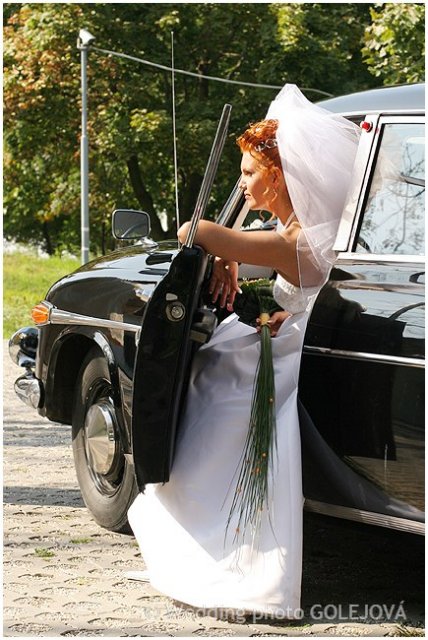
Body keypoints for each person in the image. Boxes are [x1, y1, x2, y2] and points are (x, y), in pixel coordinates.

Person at [127, 84, 360, 619]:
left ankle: (214, 536)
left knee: (215, 372)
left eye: (249, 173)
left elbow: (193, 230)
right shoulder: (296, 231)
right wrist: (231, 257)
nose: (243, 183)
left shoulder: (293, 241)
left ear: (277, 177)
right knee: (221, 355)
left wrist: (226, 253)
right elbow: (249, 255)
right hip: (292, 335)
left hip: (294, 355)